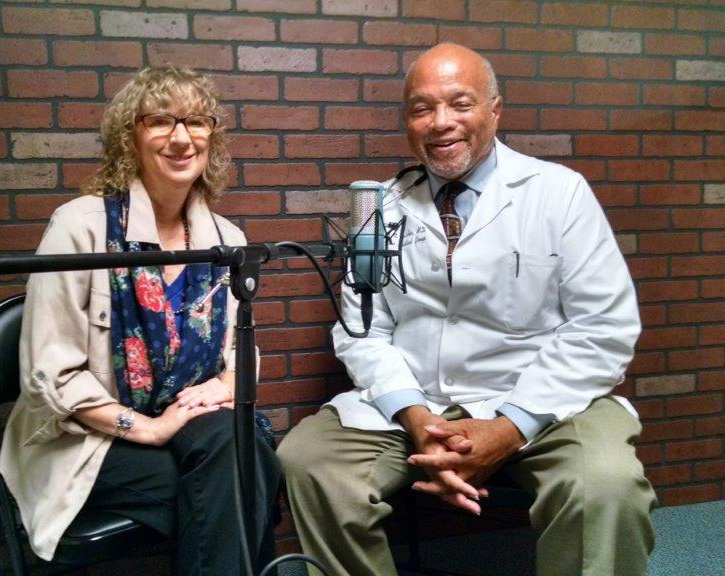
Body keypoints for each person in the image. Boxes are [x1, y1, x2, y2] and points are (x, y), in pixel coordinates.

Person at [278, 43, 656, 576]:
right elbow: (361, 329)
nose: (440, 123)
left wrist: (509, 427)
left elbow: (604, 327)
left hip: (540, 399)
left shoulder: (559, 193)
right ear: (407, 120)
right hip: (417, 400)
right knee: (309, 463)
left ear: (495, 110)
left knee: (606, 485)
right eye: (422, 108)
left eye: (461, 103)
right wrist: (415, 415)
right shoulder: (379, 206)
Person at [0, 66, 280, 575]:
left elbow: (243, 353)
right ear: (130, 136)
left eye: (196, 121)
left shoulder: (226, 239)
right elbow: (48, 374)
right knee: (244, 478)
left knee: (236, 456)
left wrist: (227, 382)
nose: (181, 137)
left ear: (211, 136)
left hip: (194, 427)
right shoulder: (79, 226)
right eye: (160, 121)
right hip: (89, 434)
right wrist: (148, 429)